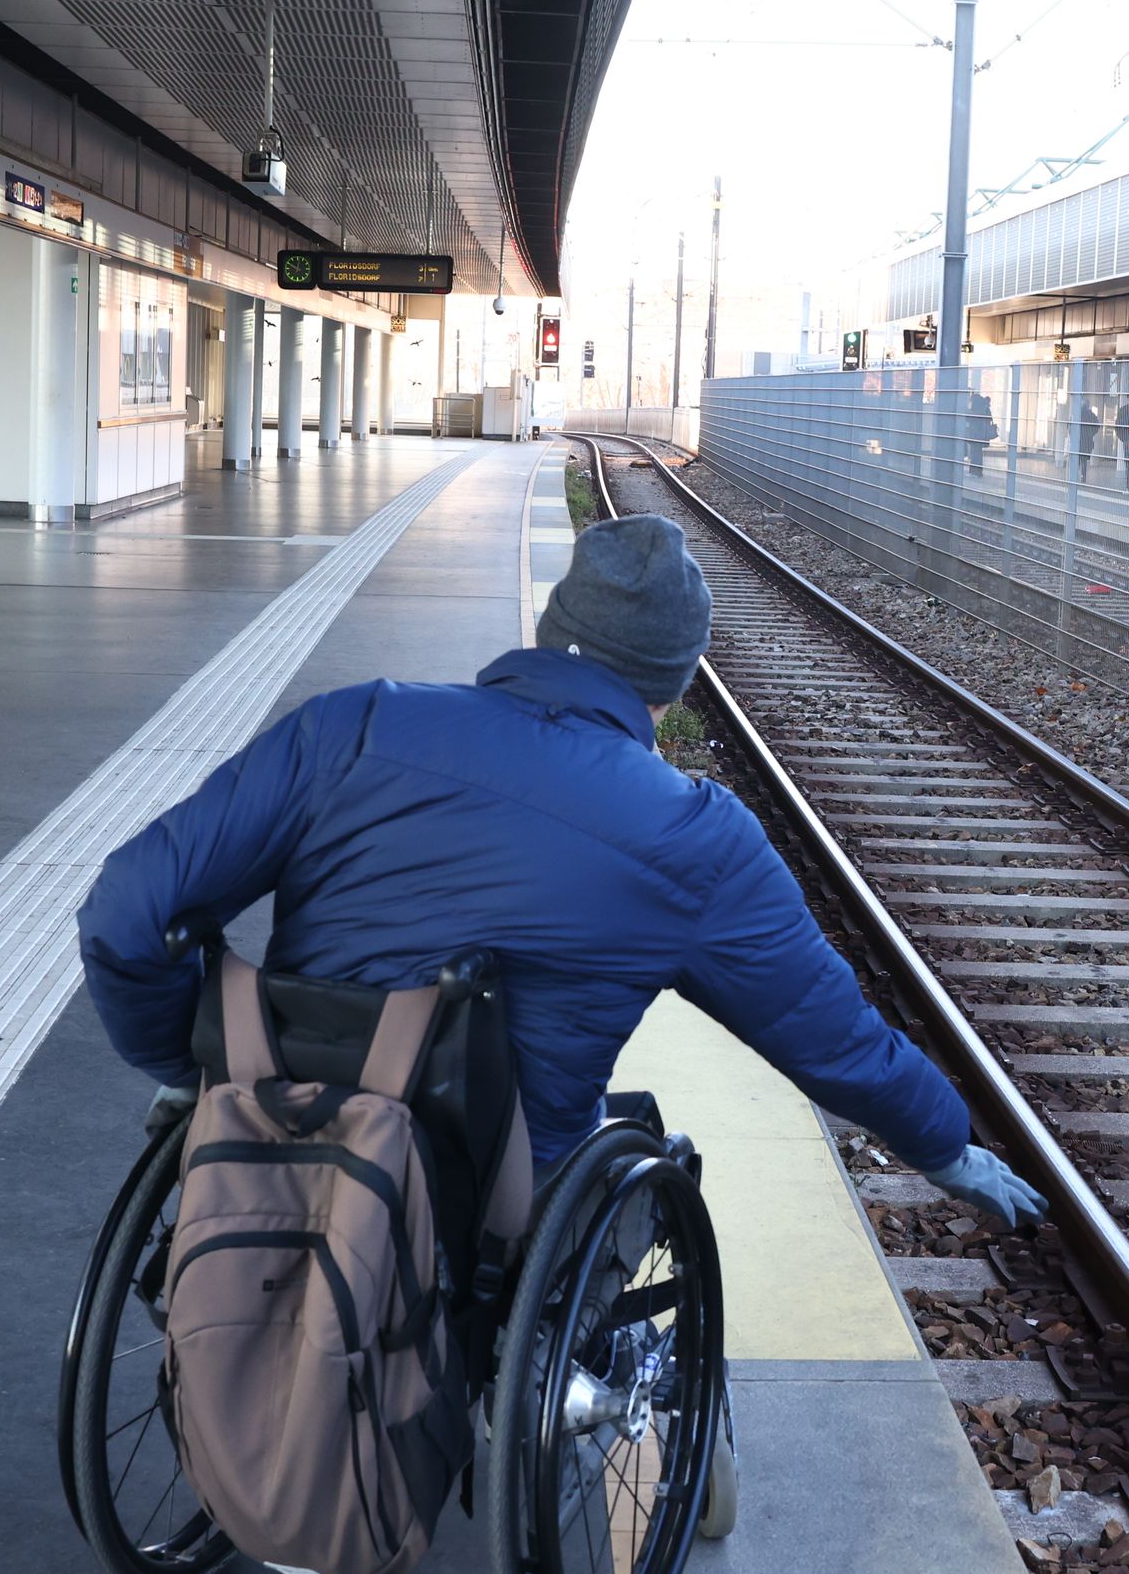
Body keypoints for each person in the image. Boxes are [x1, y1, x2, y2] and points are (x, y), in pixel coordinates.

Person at [77, 514, 1045, 1233]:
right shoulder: (696, 840)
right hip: (495, 1205)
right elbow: (834, 1039)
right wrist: (944, 1145)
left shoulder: (356, 724)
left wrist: (204, 1068)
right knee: (643, 1154)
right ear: (672, 686)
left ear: (547, 628)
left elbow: (123, 909)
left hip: (278, 1128)